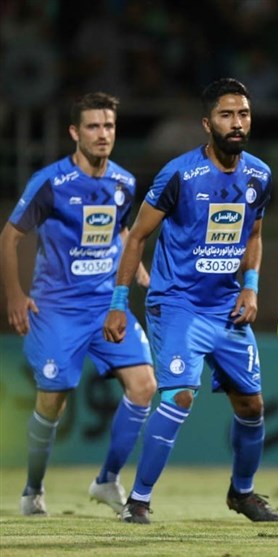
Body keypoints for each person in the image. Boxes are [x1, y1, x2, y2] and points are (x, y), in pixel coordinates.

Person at [102, 77, 278, 524]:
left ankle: (242, 494)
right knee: (180, 395)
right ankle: (137, 502)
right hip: (177, 303)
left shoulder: (259, 175)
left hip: (226, 306)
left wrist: (251, 285)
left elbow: (255, 234)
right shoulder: (179, 175)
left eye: (243, 114)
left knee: (252, 406)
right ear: (207, 123)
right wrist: (119, 302)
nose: (236, 123)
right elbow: (137, 237)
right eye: (226, 115)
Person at [0, 92, 156, 517]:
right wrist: (15, 296)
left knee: (144, 387)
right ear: (74, 132)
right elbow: (9, 238)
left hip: (106, 306)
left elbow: (122, 230)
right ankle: (33, 488)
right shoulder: (51, 183)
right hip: (56, 311)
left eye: (109, 126)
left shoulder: (124, 182)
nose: (103, 134)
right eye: (93, 126)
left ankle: (106, 480)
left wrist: (137, 266)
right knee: (53, 401)